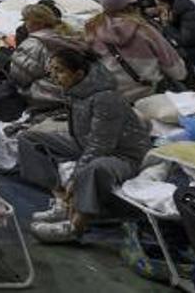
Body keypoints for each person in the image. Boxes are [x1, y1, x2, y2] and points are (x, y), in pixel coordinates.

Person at [20, 48, 150, 244]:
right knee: (30, 138)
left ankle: (76, 227)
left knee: (93, 168)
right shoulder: (78, 90)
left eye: (59, 71)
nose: (54, 76)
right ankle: (62, 199)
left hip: (124, 156)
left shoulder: (105, 98)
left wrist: (75, 176)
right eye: (52, 70)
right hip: (86, 143)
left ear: (79, 74)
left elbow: (101, 145)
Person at [84, 0, 186, 102]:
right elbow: (170, 61)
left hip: (116, 94)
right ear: (127, 7)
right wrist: (180, 75)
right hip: (148, 91)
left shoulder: (93, 31)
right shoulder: (144, 29)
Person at [8, 4, 82, 114]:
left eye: (25, 20)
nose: (24, 24)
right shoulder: (66, 35)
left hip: (53, 96)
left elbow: (20, 77)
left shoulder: (33, 44)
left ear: (37, 22)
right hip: (77, 90)